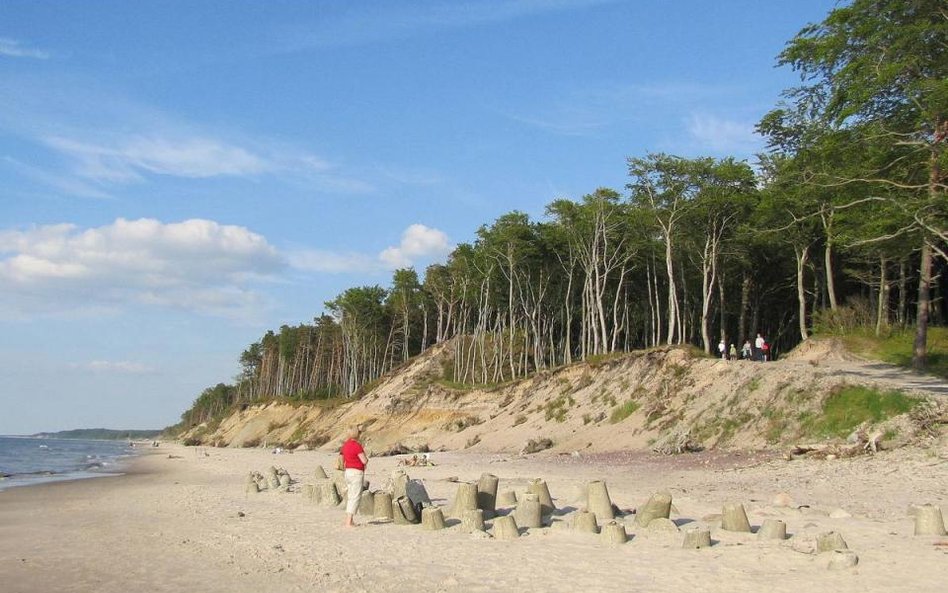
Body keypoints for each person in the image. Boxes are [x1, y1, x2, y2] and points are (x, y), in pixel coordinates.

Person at [339, 426, 368, 527]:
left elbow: (342, 458)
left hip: (348, 472)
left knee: (351, 495)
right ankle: (349, 521)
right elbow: (364, 460)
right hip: (356, 472)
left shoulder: (345, 445)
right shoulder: (357, 446)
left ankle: (348, 520)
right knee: (355, 497)